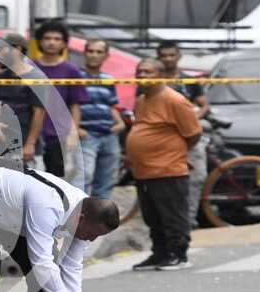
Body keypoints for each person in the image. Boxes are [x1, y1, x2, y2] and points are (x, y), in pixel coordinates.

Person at [127, 59, 201, 271]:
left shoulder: (175, 100)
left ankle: (178, 254)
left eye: (148, 72)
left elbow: (193, 133)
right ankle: (159, 253)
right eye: (139, 71)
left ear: (161, 75)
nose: (142, 75)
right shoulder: (141, 99)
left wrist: (170, 151)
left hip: (168, 168)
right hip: (144, 170)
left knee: (172, 214)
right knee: (152, 216)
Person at [157, 41, 210, 224]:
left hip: (190, 137)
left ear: (179, 56)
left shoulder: (190, 80)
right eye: (164, 56)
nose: (168, 59)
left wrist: (193, 119)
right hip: (162, 138)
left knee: (196, 177)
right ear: (159, 58)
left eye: (172, 55)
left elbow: (204, 106)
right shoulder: (152, 81)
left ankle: (188, 220)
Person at [27, 20, 87, 179]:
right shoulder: (29, 67)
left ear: (64, 43)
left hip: (60, 133)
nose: (51, 42)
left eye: (57, 39)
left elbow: (75, 105)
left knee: (58, 180)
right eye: (47, 38)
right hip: (31, 133)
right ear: (39, 41)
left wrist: (73, 133)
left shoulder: (71, 70)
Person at [0, 33, 44, 165]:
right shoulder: (0, 78)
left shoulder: (35, 77)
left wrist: (30, 144)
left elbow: (39, 113)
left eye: (1, 49)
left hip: (25, 148)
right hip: (2, 146)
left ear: (17, 49)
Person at [78, 39, 123, 198]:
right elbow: (66, 105)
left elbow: (111, 105)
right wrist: (75, 128)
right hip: (86, 134)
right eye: (91, 51)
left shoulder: (108, 78)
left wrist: (120, 123)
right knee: (85, 178)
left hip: (109, 134)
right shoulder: (75, 77)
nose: (94, 55)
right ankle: (79, 218)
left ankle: (100, 219)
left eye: (99, 52)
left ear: (106, 56)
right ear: (84, 53)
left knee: (107, 181)